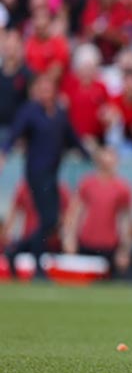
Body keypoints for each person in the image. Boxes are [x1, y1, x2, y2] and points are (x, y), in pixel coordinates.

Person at [0, 77, 94, 275]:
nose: (45, 93)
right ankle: (37, 263)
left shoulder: (59, 114)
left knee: (50, 221)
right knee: (47, 218)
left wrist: (90, 156)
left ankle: (15, 252)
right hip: (36, 172)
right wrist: (4, 152)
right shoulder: (30, 111)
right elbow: (15, 133)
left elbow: (72, 138)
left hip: (52, 174)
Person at [62, 147, 132, 276]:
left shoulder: (122, 188)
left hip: (109, 245)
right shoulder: (87, 183)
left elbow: (126, 220)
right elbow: (75, 212)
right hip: (86, 242)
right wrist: (69, 238)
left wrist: (124, 250)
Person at [3, 180, 71, 256]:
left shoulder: (59, 189)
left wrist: (67, 240)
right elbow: (12, 214)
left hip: (50, 245)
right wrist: (6, 236)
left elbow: (68, 218)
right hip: (30, 242)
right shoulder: (25, 187)